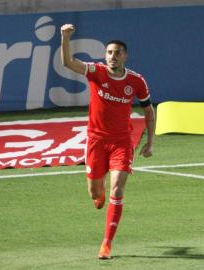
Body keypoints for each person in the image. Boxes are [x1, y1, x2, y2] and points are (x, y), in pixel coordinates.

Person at [60, 23, 155, 260]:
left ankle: (107, 243)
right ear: (105, 55)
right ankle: (98, 193)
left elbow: (149, 112)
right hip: (96, 141)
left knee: (118, 188)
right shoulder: (96, 72)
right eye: (109, 52)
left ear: (126, 56)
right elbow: (68, 63)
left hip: (122, 142)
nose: (113, 56)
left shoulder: (136, 81)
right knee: (95, 192)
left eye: (118, 53)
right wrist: (65, 38)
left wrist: (150, 142)